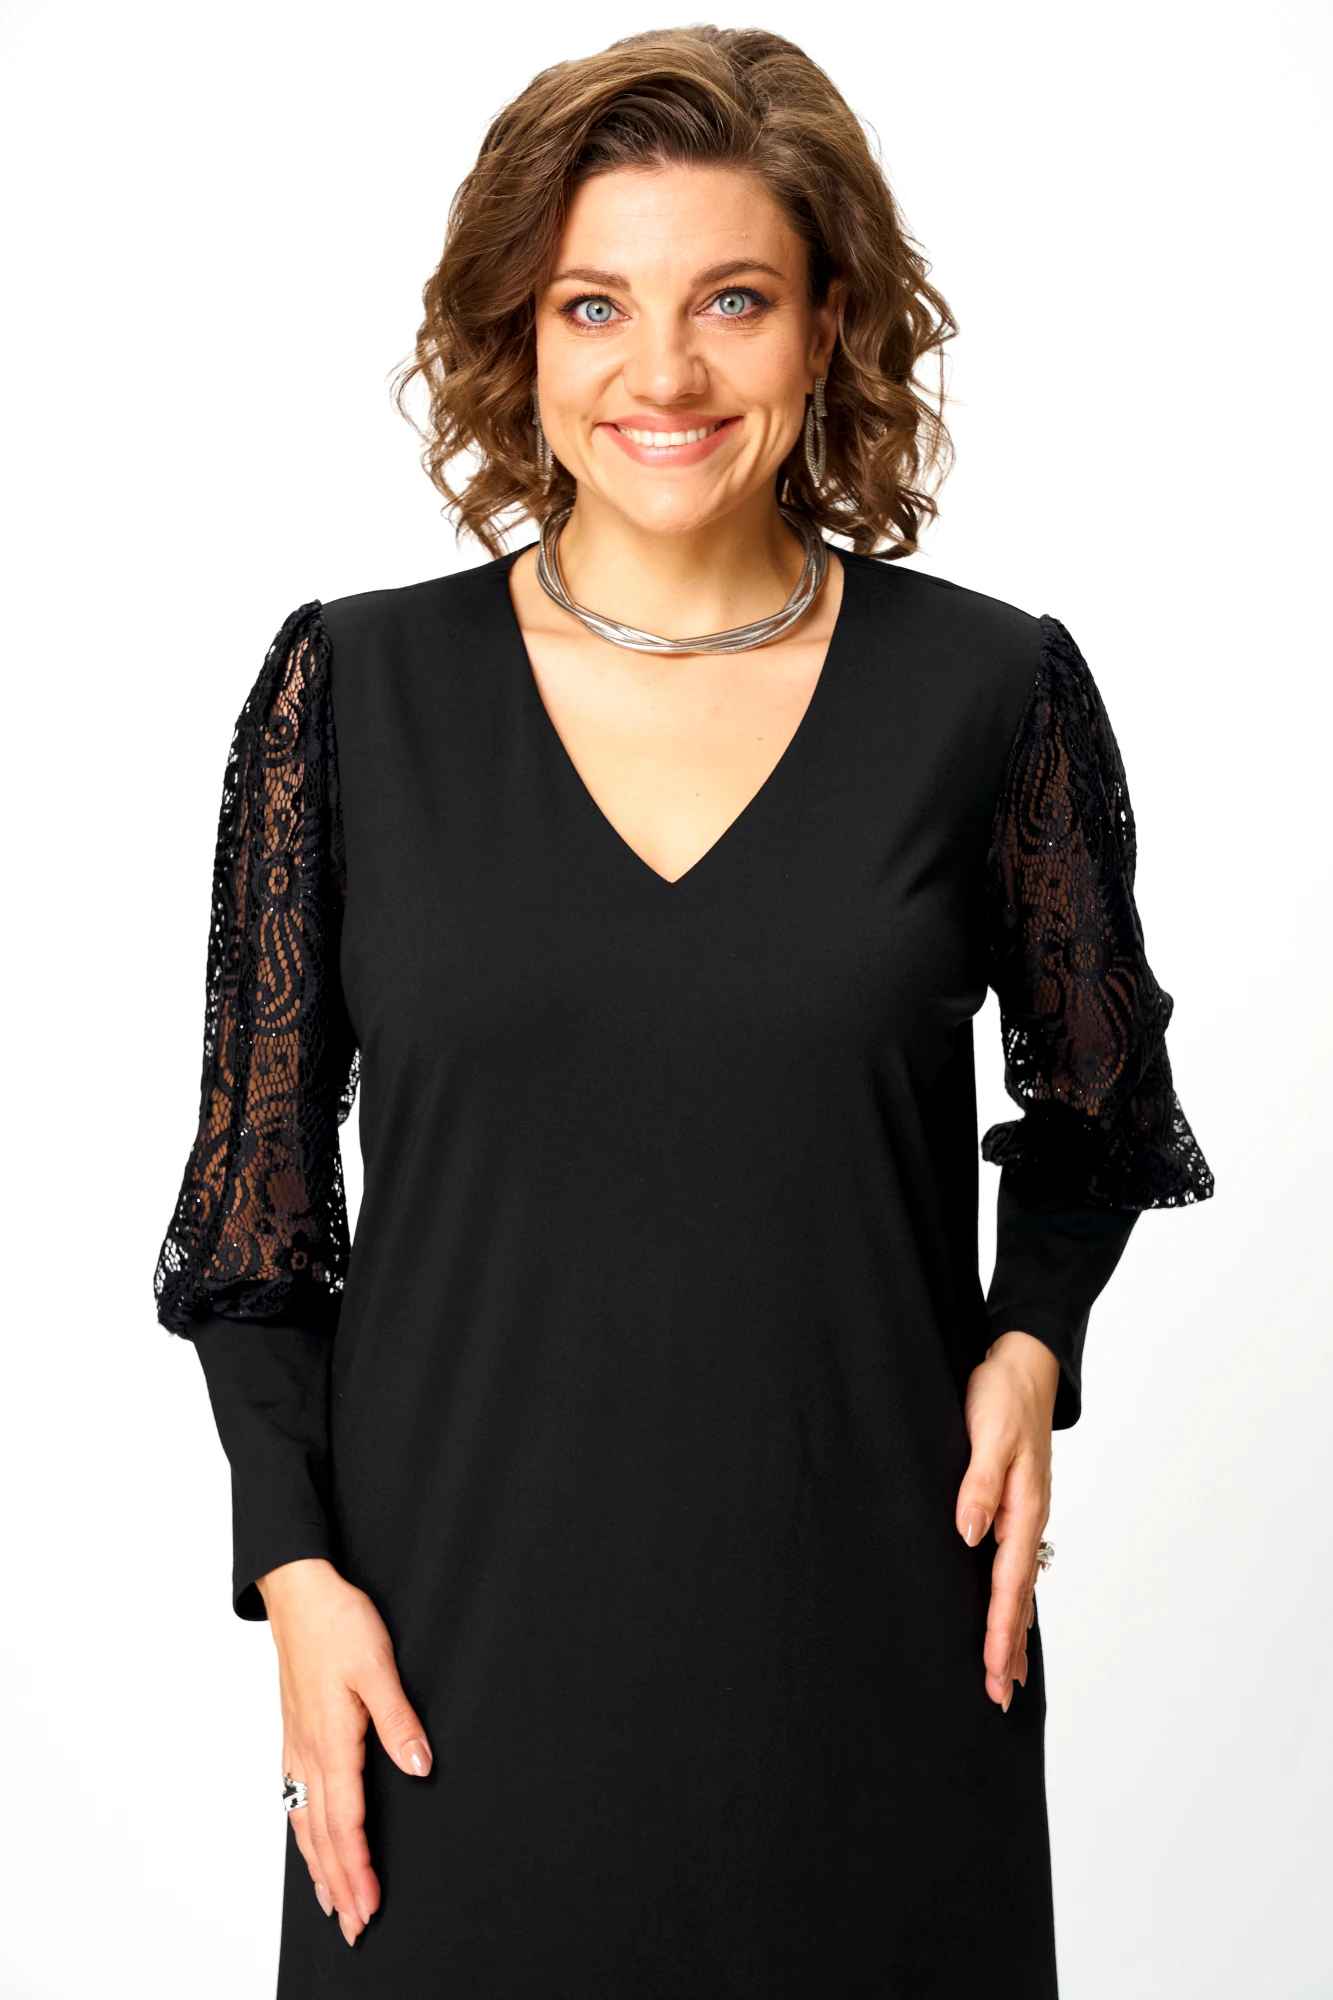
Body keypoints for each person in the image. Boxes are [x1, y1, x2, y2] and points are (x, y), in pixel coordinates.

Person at [153, 25, 1214, 1998]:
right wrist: (294, 1574)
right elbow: (255, 1216)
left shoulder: (990, 694)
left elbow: (1098, 1116)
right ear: (519, 336)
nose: (664, 373)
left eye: (732, 299)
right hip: (445, 1675)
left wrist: (1031, 1343)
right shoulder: (353, 698)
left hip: (872, 1656)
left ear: (829, 325)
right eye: (595, 305)